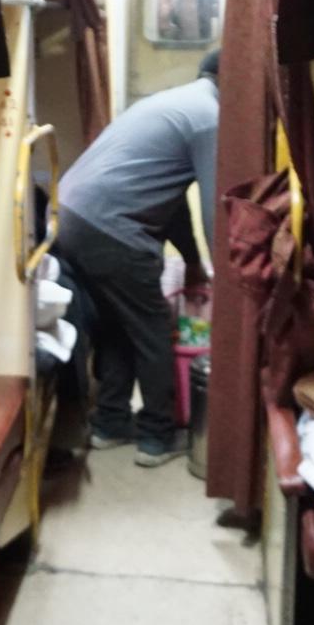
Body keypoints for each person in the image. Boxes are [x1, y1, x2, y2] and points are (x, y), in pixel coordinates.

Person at [55, 50, 219, 467]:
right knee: (153, 331)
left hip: (70, 215)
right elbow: (213, 206)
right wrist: (226, 269)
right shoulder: (210, 117)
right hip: (112, 227)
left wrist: (193, 260)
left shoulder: (174, 101)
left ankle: (110, 423)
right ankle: (156, 437)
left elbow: (173, 201)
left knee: (117, 326)